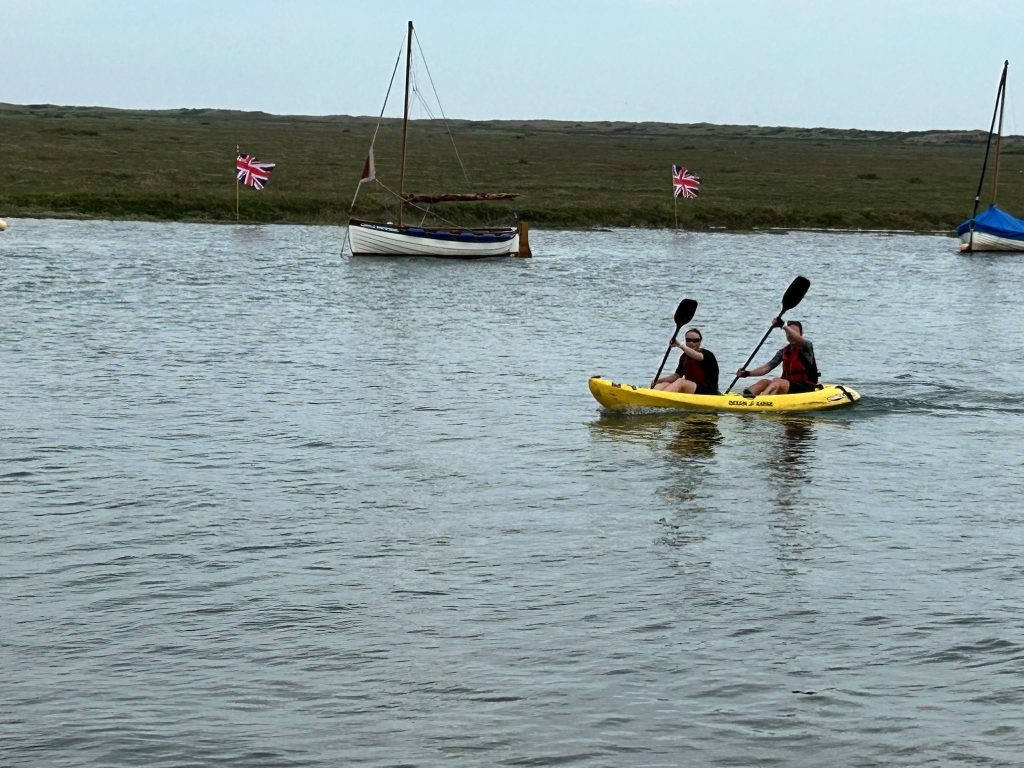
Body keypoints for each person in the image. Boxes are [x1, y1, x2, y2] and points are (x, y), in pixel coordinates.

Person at [734, 318, 820, 397]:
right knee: (764, 382)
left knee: (777, 381)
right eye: (788, 333)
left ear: (800, 334)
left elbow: (800, 341)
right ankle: (744, 398)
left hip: (806, 388)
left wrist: (783, 326)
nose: (790, 335)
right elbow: (766, 368)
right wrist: (747, 373)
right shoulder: (783, 352)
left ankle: (762, 400)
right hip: (788, 386)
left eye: (793, 333)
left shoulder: (806, 347)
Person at [652, 327, 720, 395]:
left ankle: (662, 398)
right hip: (692, 388)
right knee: (663, 384)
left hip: (709, 391)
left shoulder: (707, 354)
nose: (691, 343)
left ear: (700, 342)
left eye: (695, 340)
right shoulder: (684, 356)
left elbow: (698, 356)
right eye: (688, 340)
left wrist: (680, 345)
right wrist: (658, 381)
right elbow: (677, 376)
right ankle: (652, 396)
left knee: (681, 382)